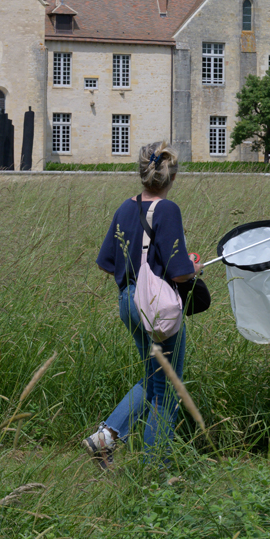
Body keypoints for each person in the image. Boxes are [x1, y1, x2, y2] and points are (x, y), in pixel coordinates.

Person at [86, 141, 202, 469]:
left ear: (142, 174)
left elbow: (106, 262)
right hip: (157, 307)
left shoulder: (125, 208)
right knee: (167, 388)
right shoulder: (168, 210)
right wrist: (193, 266)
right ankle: (155, 471)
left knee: (152, 378)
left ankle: (105, 438)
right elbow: (180, 274)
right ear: (172, 178)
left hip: (128, 301)